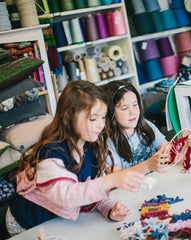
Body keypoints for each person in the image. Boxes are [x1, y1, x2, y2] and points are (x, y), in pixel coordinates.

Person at [6, 81, 146, 237]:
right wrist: (111, 180)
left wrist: (110, 208)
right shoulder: (50, 154)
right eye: (93, 119)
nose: (100, 125)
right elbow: (68, 195)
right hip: (26, 224)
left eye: (103, 117)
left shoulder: (91, 146)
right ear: (68, 118)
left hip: (58, 221)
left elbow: (92, 188)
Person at [101, 80, 191, 175]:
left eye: (135, 104)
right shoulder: (107, 142)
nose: (133, 112)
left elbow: (172, 155)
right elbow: (116, 177)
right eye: (124, 108)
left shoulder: (146, 126)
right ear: (110, 112)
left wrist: (187, 144)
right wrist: (147, 166)